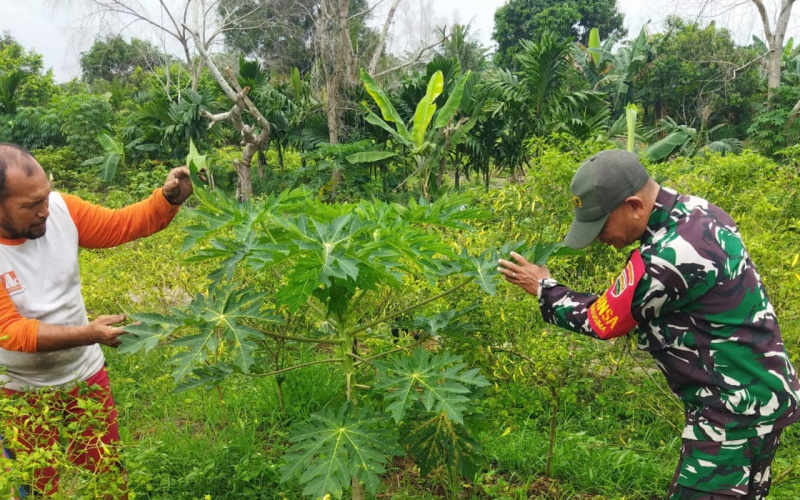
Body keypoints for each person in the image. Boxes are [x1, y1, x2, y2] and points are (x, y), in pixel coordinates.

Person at [497, 150, 800, 499]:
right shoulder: (697, 211)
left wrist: (543, 288)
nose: (598, 238)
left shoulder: (669, 256)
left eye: (601, 226)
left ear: (634, 206)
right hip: (759, 397)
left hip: (732, 412)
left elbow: (601, 320)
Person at [0, 143, 192, 498]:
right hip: (18, 390)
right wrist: (88, 333)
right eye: (29, 205)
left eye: (45, 195)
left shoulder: (62, 210)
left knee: (108, 475)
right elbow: (10, 332)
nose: (45, 211)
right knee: (35, 488)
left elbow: (119, 225)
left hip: (84, 376)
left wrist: (166, 200)